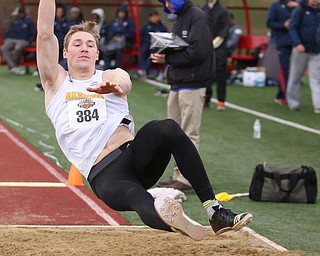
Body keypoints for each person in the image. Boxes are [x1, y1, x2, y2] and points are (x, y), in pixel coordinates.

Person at [37, 0, 252, 240]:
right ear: (65, 52)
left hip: (136, 155)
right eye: (77, 44)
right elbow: (45, 33)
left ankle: (214, 211)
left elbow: (125, 82)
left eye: (90, 44)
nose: (84, 48)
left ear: (97, 53)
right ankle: (167, 214)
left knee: (167, 128)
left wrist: (117, 86)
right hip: (106, 175)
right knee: (137, 196)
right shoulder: (56, 83)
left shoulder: (109, 75)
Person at [151, 0, 215, 192]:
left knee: (189, 132)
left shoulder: (197, 17)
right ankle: (179, 176)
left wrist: (167, 58)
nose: (167, 5)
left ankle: (187, 179)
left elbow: (199, 52)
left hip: (193, 83)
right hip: (178, 82)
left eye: (169, 1)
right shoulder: (181, 17)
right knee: (175, 134)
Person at [287, 0, 320, 113]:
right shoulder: (300, 10)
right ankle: (293, 102)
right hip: (301, 50)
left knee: (316, 78)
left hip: (316, 50)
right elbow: (293, 27)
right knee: (295, 77)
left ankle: (318, 105)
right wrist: (297, 43)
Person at [267, 0, 298, 105]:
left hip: (298, 43)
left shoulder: (299, 5)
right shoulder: (276, 6)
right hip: (283, 42)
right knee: (285, 69)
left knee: (296, 71)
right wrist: (283, 25)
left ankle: (284, 94)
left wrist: (297, 6)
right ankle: (285, 96)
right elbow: (269, 22)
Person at [203, 0, 229, 110]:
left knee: (220, 76)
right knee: (205, 75)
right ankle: (206, 99)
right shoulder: (203, 9)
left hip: (219, 49)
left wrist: (212, 45)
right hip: (205, 48)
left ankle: (221, 101)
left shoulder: (223, 11)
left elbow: (223, 32)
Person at [1, 6, 35, 74]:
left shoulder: (29, 21)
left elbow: (32, 33)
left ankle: (16, 64)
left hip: (24, 40)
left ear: (24, 13)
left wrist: (30, 41)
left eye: (22, 13)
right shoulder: (15, 21)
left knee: (18, 48)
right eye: (19, 13)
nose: (21, 14)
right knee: (3, 48)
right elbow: (10, 31)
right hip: (13, 39)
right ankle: (13, 66)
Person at [137, 10, 168, 79]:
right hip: (147, 44)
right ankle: (142, 69)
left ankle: (144, 70)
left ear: (158, 17)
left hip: (157, 46)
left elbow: (166, 36)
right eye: (152, 17)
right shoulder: (146, 26)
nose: (154, 18)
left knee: (152, 55)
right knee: (143, 52)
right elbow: (141, 36)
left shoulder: (162, 27)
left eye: (155, 16)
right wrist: (147, 40)